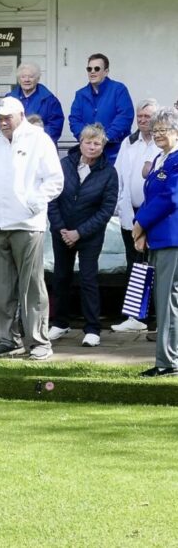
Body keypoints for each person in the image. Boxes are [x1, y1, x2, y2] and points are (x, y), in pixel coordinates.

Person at [0, 97, 64, 360]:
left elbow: (55, 180)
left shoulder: (39, 139)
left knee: (32, 287)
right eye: (0, 118)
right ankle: (8, 340)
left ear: (21, 115)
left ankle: (39, 342)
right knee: (1, 288)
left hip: (27, 224)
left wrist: (32, 204)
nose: (3, 122)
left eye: (8, 117)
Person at [46, 124, 118, 348]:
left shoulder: (109, 172)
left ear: (103, 145)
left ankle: (92, 328)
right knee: (60, 277)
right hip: (62, 232)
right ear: (80, 141)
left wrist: (80, 232)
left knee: (88, 279)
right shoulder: (64, 164)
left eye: (97, 143)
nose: (92, 147)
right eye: (88, 142)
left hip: (89, 235)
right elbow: (52, 197)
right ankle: (60, 322)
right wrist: (61, 229)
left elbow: (106, 210)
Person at [133, 107, 178, 377]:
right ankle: (166, 359)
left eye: (165, 130)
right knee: (163, 301)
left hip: (172, 239)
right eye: (156, 130)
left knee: (168, 301)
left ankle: (168, 363)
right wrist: (144, 232)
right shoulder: (161, 158)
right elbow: (152, 197)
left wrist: (140, 224)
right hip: (158, 238)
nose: (159, 134)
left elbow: (170, 197)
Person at [113, 99, 161, 333]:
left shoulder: (164, 143)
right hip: (129, 213)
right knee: (135, 265)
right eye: (140, 116)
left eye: (147, 116)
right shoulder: (128, 142)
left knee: (156, 264)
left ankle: (156, 315)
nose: (143, 120)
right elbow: (119, 176)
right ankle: (135, 316)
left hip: (154, 216)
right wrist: (121, 207)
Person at [68, 53, 134, 164]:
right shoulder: (80, 94)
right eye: (89, 69)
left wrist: (105, 138)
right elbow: (75, 120)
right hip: (89, 153)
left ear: (106, 71)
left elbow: (124, 117)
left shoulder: (118, 89)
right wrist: (86, 140)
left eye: (97, 68)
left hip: (115, 152)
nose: (92, 72)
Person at [4, 63, 65, 144]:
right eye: (23, 77)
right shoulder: (9, 99)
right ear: (19, 80)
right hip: (14, 145)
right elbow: (0, 124)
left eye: (31, 77)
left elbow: (55, 127)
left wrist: (33, 135)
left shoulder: (49, 100)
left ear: (37, 79)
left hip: (41, 146)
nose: (27, 80)